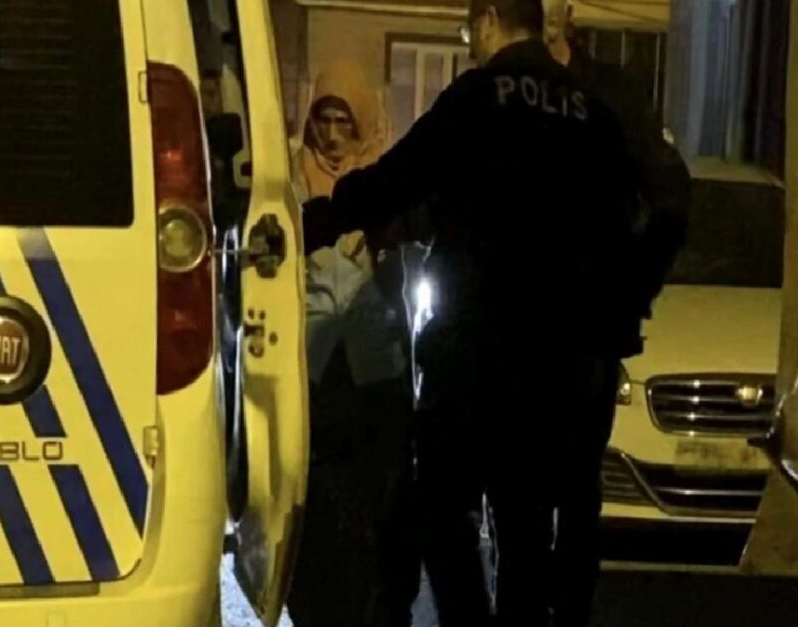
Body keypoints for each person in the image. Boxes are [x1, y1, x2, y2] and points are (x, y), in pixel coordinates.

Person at [301, 1, 684, 625]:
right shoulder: (593, 113)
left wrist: (315, 220)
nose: (470, 43)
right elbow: (650, 213)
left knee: (441, 510)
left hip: (473, 353)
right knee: (524, 527)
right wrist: (618, 306)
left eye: (468, 32)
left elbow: (395, 181)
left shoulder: (476, 99)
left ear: (488, 22)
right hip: (557, 362)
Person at [540, 2, 691, 624]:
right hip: (511, 331)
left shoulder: (610, 93)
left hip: (584, 331)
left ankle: (567, 611)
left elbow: (670, 196)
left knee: (575, 491)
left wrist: (630, 289)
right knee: (520, 496)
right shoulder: (499, 92)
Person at [287, 60, 421, 627]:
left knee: (380, 494)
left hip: (374, 360)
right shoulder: (292, 173)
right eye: (324, 119)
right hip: (314, 361)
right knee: (317, 501)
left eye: (345, 120)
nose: (334, 134)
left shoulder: (383, 175)